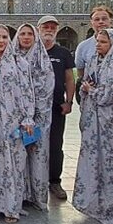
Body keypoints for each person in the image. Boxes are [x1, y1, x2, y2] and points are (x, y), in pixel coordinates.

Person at [73, 29, 113, 224]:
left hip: (112, 124)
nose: (98, 45)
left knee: (112, 162)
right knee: (92, 161)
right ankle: (93, 204)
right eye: (97, 41)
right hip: (93, 121)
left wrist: (92, 90)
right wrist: (87, 89)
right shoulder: (95, 60)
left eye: (103, 42)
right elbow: (85, 82)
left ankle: (112, 205)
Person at [0, 24, 34, 223]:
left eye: (4, 37)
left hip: (12, 120)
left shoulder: (19, 63)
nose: (1, 41)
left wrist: (27, 117)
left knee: (13, 163)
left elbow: (27, 92)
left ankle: (11, 207)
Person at [13, 22, 55, 210]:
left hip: (39, 115)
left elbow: (47, 87)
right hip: (15, 115)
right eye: (23, 33)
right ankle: (19, 195)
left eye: (30, 33)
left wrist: (33, 113)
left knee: (37, 154)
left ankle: (36, 196)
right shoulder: (11, 58)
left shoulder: (42, 59)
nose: (26, 37)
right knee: (18, 154)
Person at [37, 15, 76, 201]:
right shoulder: (30, 52)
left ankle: (54, 181)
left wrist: (69, 101)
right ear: (39, 28)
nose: (49, 29)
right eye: (46, 26)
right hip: (34, 109)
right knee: (32, 143)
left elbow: (69, 78)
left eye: (53, 27)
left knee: (55, 144)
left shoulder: (62, 53)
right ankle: (33, 181)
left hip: (56, 107)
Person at [74, 6, 113, 80]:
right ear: (92, 23)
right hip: (92, 89)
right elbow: (80, 73)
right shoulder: (83, 46)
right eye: (97, 19)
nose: (101, 22)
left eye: (104, 19)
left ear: (111, 21)